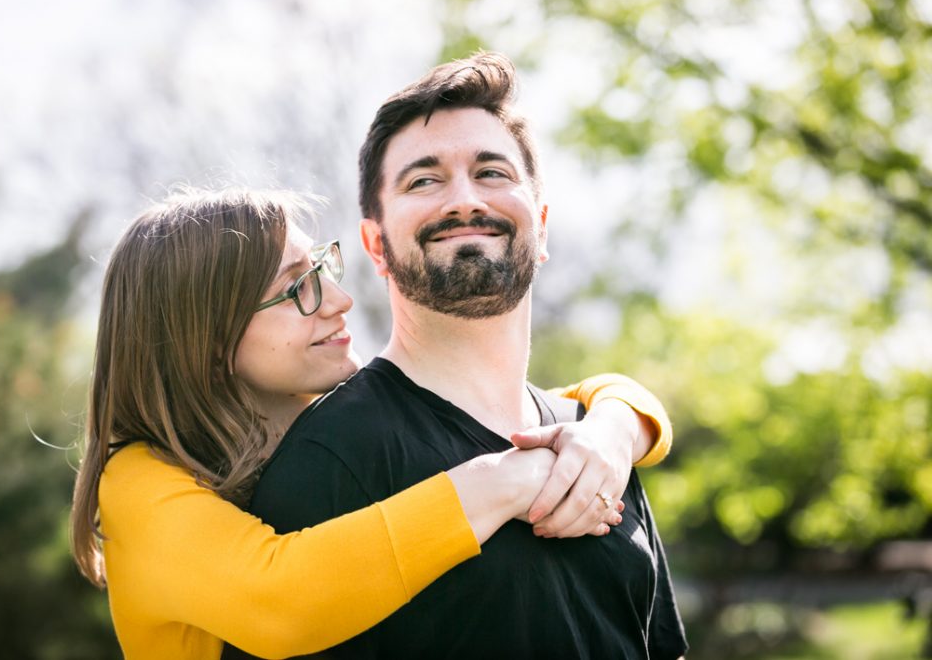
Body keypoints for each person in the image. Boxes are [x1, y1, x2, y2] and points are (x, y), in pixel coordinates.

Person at [70, 187, 676, 659]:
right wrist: (503, 482)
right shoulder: (138, 482)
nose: (338, 301)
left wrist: (616, 428)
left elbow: (568, 402)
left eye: (322, 270)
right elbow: (282, 600)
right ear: (203, 339)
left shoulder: (331, 428)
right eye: (296, 290)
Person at [245, 53, 688, 659]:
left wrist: (616, 426)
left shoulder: (599, 447)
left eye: (491, 172)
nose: (463, 200)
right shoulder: (331, 459)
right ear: (375, 244)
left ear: (543, 227)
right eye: (423, 180)